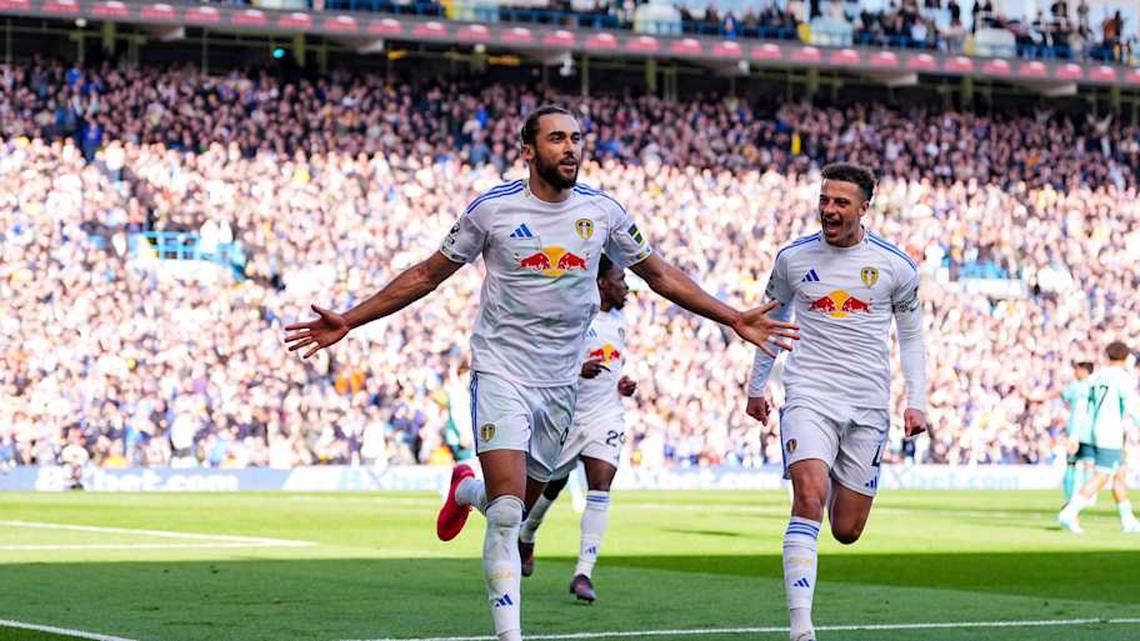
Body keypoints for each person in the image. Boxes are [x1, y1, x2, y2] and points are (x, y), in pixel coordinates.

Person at [284, 105, 800, 641]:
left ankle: (466, 490)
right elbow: (425, 275)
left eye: (577, 138)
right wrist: (350, 318)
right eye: (557, 139)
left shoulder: (604, 213)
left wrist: (733, 316)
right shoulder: (492, 211)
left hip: (562, 385)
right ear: (529, 151)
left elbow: (661, 275)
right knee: (508, 514)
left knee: (512, 504)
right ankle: (511, 635)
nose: (571, 148)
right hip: (502, 370)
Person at [743, 162, 928, 641]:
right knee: (808, 495)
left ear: (864, 209)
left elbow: (911, 338)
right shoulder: (791, 259)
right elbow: (770, 320)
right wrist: (756, 387)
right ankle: (801, 628)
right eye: (824, 199)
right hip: (809, 394)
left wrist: (917, 401)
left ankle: (834, 491)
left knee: (846, 529)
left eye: (840, 202)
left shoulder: (896, 266)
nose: (829, 209)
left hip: (868, 406)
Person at [516, 254, 635, 604]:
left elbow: (615, 366)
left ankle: (583, 572)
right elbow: (544, 363)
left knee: (601, 484)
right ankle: (527, 533)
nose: (626, 287)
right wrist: (576, 372)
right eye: (621, 280)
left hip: (606, 415)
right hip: (565, 414)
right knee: (551, 482)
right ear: (602, 283)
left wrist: (623, 384)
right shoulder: (573, 315)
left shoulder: (620, 322)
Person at [1058, 341, 1140, 534]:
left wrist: (1075, 435)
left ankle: (1128, 520)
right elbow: (1132, 408)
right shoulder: (1123, 378)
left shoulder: (1096, 377)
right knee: (1102, 476)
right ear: (1126, 357)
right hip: (1111, 432)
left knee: (1120, 474)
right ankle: (1069, 512)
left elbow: (1081, 407)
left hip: (1096, 430)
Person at [1060, 361, 1095, 506]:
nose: (1075, 372)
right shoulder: (1095, 386)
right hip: (1089, 432)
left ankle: (1070, 499)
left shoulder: (1076, 387)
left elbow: (1063, 396)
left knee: (1071, 464)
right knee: (1088, 464)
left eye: (1078, 369)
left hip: (1077, 432)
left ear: (1085, 371)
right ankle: (1087, 497)